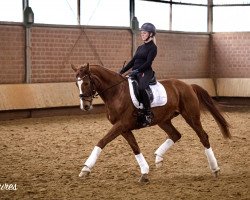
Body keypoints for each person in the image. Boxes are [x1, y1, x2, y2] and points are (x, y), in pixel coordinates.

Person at [119, 22, 157, 126]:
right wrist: (122, 71)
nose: (142, 35)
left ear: (151, 34)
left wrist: (137, 70)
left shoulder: (153, 48)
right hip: (136, 71)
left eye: (144, 33)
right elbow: (132, 61)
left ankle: (148, 113)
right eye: (141, 33)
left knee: (141, 88)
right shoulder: (140, 47)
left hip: (146, 72)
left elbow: (148, 63)